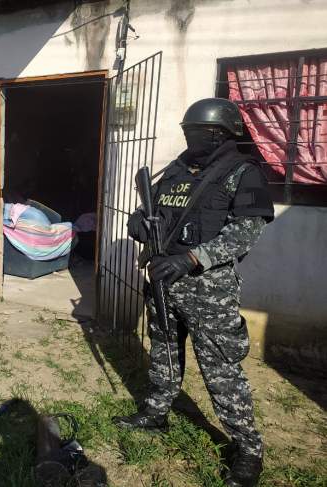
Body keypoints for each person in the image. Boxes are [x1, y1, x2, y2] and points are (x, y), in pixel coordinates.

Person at [114, 98, 274, 487]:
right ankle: (155, 413)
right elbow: (152, 213)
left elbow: (247, 230)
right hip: (163, 282)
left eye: (197, 132)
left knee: (220, 368)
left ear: (219, 134)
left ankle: (247, 449)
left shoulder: (241, 172)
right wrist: (139, 224)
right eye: (188, 131)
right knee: (164, 352)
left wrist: (191, 260)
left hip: (209, 291)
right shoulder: (176, 169)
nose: (190, 138)